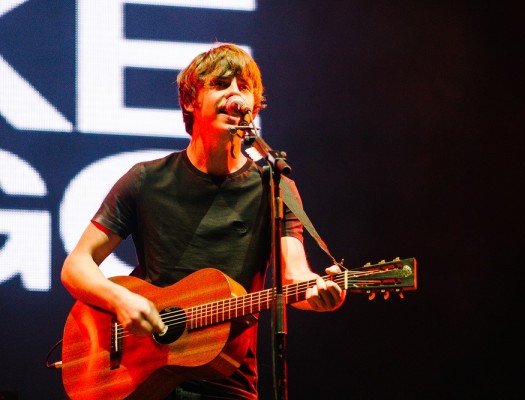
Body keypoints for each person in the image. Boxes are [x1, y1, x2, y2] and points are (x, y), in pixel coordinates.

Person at [61, 43, 346, 399]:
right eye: (221, 84)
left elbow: (295, 278)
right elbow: (77, 265)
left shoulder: (274, 186)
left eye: (244, 87)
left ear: (253, 107)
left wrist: (319, 294)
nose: (235, 94)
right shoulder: (146, 179)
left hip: (227, 381)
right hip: (141, 375)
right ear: (190, 101)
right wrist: (120, 300)